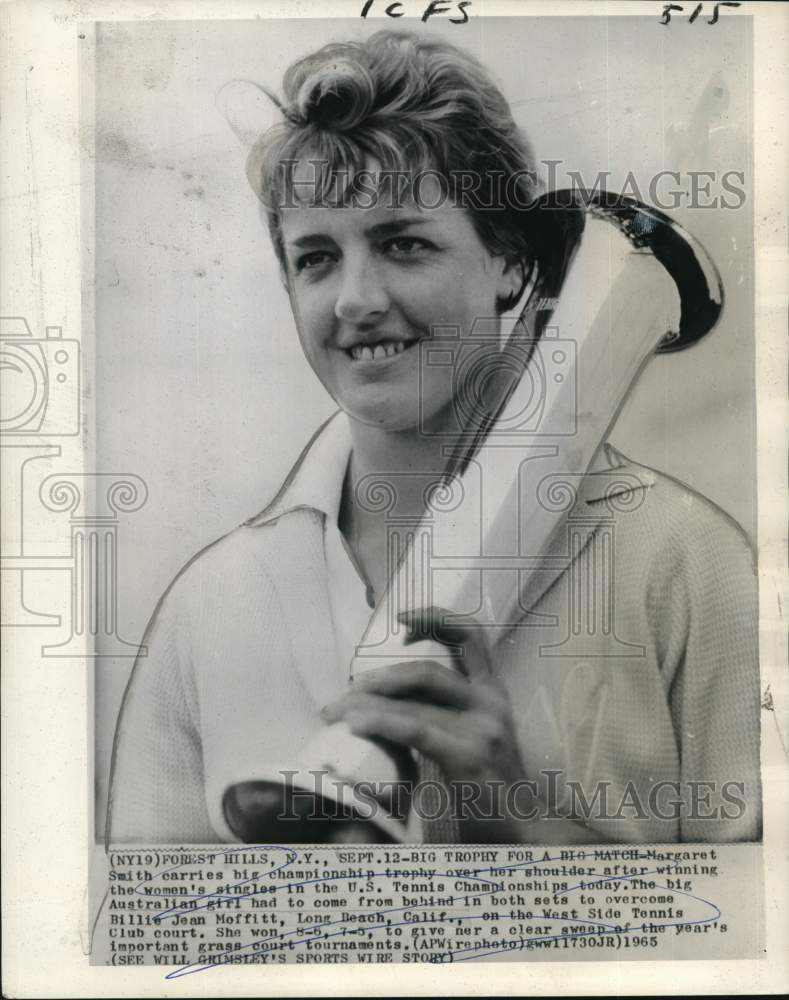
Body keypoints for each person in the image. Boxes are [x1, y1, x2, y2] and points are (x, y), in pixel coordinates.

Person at [107, 29, 761, 845]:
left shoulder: (687, 560)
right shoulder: (210, 604)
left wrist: (511, 816)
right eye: (315, 258)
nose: (353, 299)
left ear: (513, 267)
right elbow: (136, 936)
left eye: (403, 243)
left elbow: (754, 936)